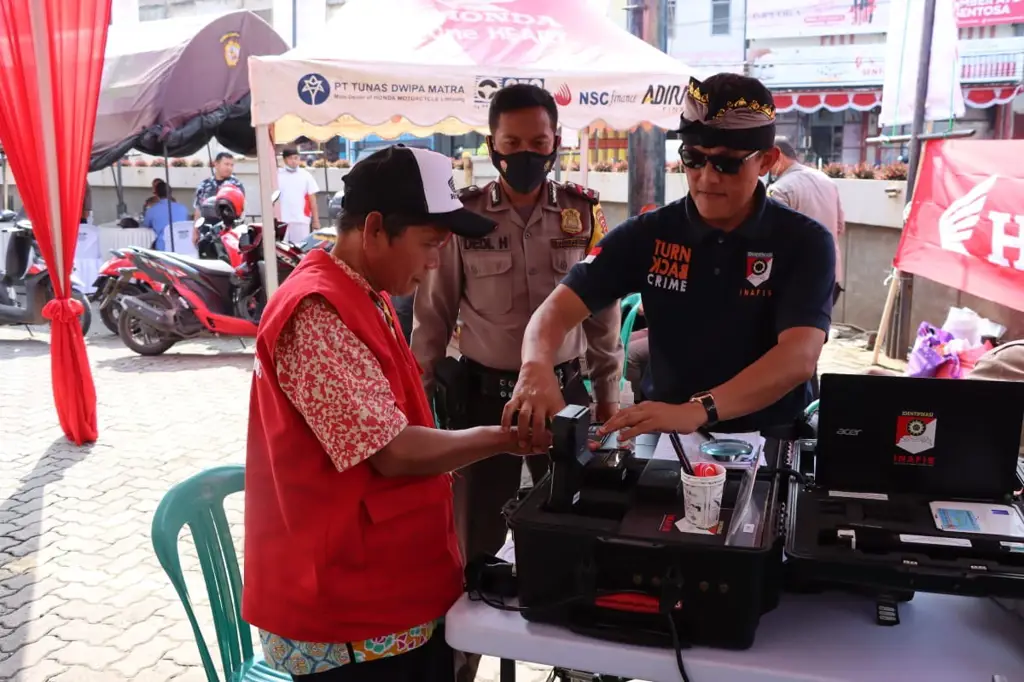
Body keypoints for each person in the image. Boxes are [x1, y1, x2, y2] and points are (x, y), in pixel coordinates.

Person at [244, 144, 543, 682]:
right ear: (375, 228)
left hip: (388, 584)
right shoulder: (316, 310)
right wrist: (504, 437)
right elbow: (394, 452)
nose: (434, 262)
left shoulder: (365, 293)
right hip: (348, 616)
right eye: (429, 244)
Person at [503, 73, 837, 446]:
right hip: (665, 437)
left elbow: (797, 357)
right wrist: (535, 366)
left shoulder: (805, 241)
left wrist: (696, 410)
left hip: (768, 439)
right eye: (693, 159)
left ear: (766, 161)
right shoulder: (650, 234)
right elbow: (554, 312)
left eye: (727, 164)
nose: (707, 178)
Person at [411, 83, 623, 561]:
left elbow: (603, 316)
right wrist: (419, 399)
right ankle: (477, 630)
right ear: (492, 145)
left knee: (573, 526)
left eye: (538, 144)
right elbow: (433, 317)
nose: (525, 154)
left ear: (556, 143)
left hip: (566, 395)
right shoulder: (463, 218)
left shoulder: (582, 212)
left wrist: (608, 398)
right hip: (484, 398)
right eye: (512, 144)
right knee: (477, 535)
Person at [768, 136, 845, 305]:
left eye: (768, 160)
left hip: (797, 281)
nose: (767, 169)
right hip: (831, 276)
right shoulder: (827, 181)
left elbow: (774, 238)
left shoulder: (779, 189)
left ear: (778, 156)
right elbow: (839, 227)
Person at [192, 151, 245, 246]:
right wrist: (195, 232)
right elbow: (198, 210)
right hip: (207, 232)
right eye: (226, 164)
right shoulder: (204, 185)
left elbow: (242, 209)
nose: (229, 168)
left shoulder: (236, 185)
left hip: (229, 233)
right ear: (216, 164)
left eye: (231, 165)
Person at [277, 147, 321, 244]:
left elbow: (312, 200)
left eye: (296, 158)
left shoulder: (306, 176)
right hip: (282, 220)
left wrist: (316, 220)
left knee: (300, 249)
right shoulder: (277, 175)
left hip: (301, 220)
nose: (293, 161)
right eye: (290, 158)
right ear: (284, 159)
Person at [142, 180, 187, 250]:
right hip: (182, 245)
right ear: (170, 193)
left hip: (163, 247)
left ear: (156, 194)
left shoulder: (152, 210)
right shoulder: (183, 208)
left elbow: (146, 225)